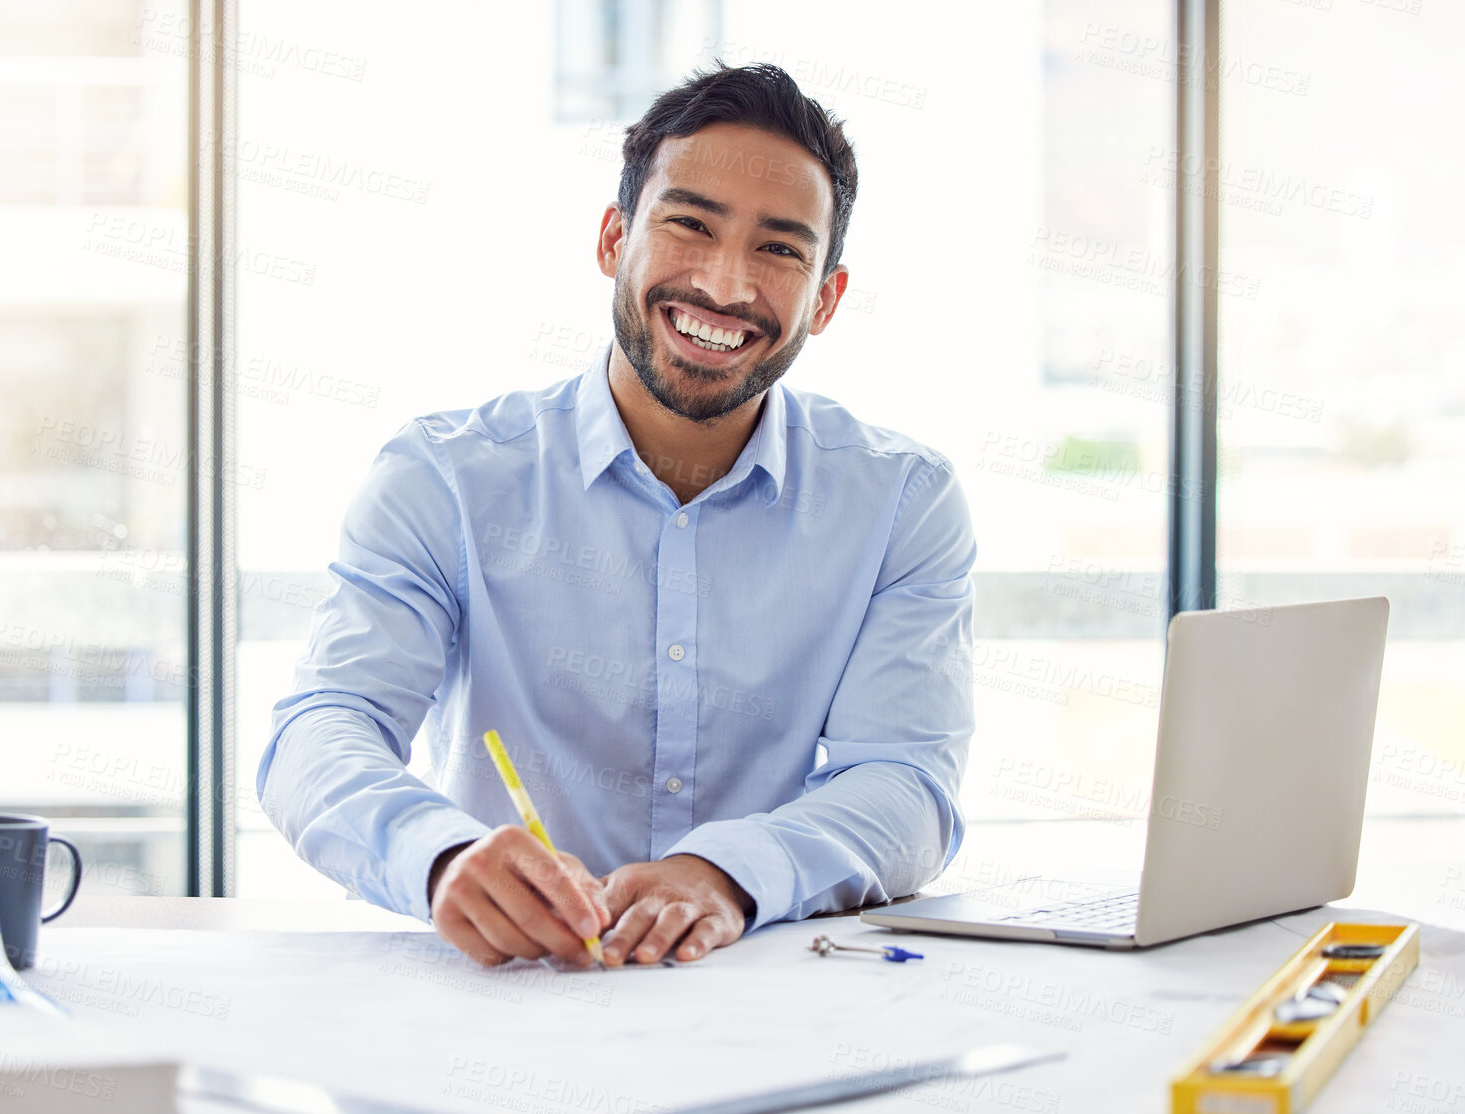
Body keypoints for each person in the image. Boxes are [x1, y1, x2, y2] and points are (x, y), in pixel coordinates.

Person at [257, 62, 975, 969]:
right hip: (506, 996)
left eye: (780, 250)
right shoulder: (444, 476)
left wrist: (720, 875)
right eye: (689, 225)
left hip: (771, 993)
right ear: (613, 238)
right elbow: (323, 726)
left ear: (825, 299)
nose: (724, 283)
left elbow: (906, 782)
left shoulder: (900, 502)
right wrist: (437, 856)